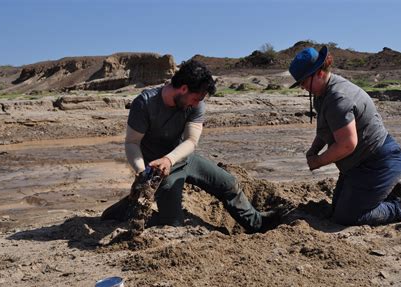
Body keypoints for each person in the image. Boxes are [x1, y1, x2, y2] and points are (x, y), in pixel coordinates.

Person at [110, 59, 277, 232]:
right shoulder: (144, 103)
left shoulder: (196, 104)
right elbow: (132, 143)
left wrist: (169, 158)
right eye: (196, 98)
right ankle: (128, 207)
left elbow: (191, 141)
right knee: (173, 222)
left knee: (229, 184)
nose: (197, 104)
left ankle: (257, 224)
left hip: (182, 158)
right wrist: (142, 174)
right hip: (158, 171)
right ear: (183, 88)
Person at [288, 46, 401, 226]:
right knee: (337, 210)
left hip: (378, 162)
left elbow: (347, 144)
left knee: (349, 217)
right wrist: (313, 150)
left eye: (304, 81)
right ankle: (386, 190)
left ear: (319, 73)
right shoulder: (323, 93)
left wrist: (318, 161)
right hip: (359, 165)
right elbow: (326, 129)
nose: (303, 87)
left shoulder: (338, 98)